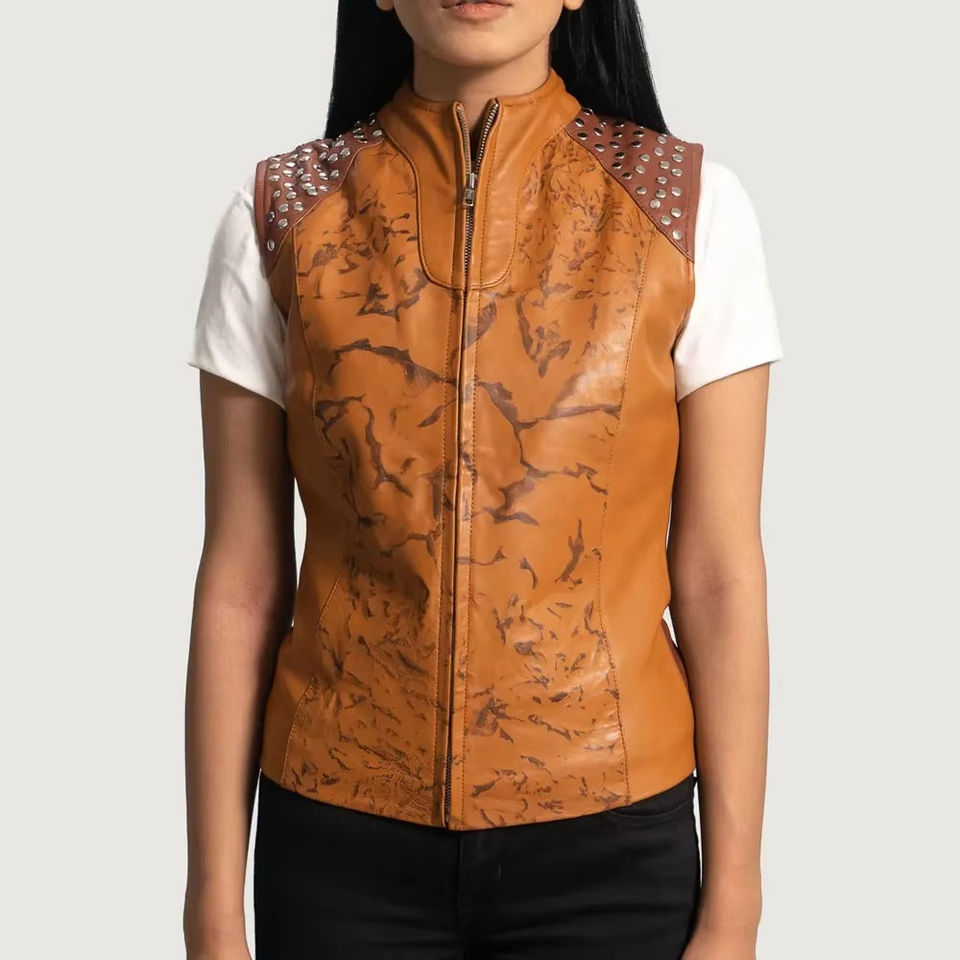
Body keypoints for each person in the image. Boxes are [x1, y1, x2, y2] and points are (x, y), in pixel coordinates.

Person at [183, 1, 783, 958]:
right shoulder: (280, 216)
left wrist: (737, 902)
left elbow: (717, 572)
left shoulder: (687, 209)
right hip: (338, 846)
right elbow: (243, 580)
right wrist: (212, 909)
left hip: (612, 849)